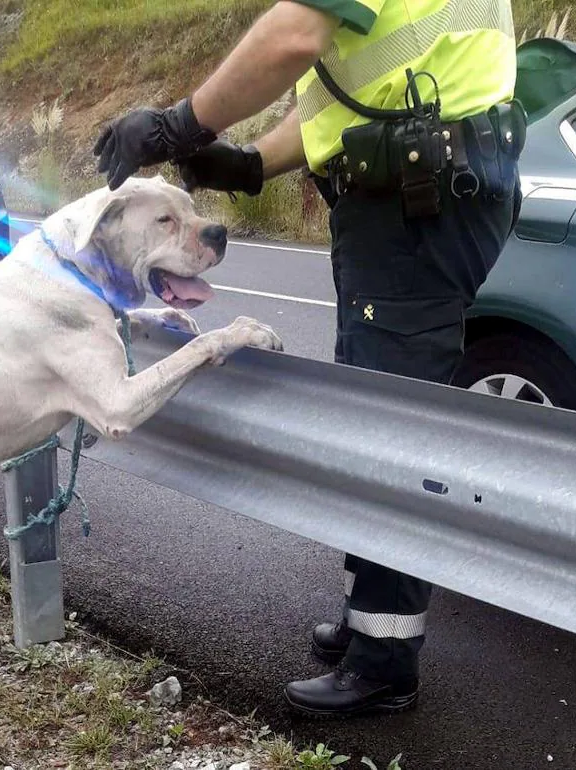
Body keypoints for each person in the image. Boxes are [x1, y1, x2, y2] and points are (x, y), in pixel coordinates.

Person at [93, 0, 524, 718]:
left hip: (420, 199)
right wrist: (250, 162)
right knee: (372, 407)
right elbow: (344, 98)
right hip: (416, 191)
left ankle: (385, 661)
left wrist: (180, 123)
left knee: (392, 424)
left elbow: (293, 37)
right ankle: (369, 623)